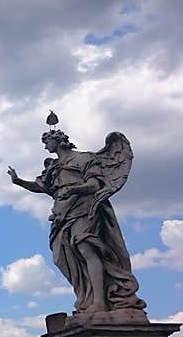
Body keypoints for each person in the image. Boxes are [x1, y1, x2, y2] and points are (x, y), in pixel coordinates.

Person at [8, 127, 146, 314]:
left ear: (58, 140)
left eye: (47, 141)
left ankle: (100, 302)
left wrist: (73, 190)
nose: (45, 146)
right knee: (64, 257)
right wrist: (18, 181)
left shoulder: (84, 158)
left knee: (87, 250)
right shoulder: (53, 167)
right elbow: (42, 188)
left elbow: (94, 185)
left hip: (84, 208)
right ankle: (87, 298)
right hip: (62, 215)